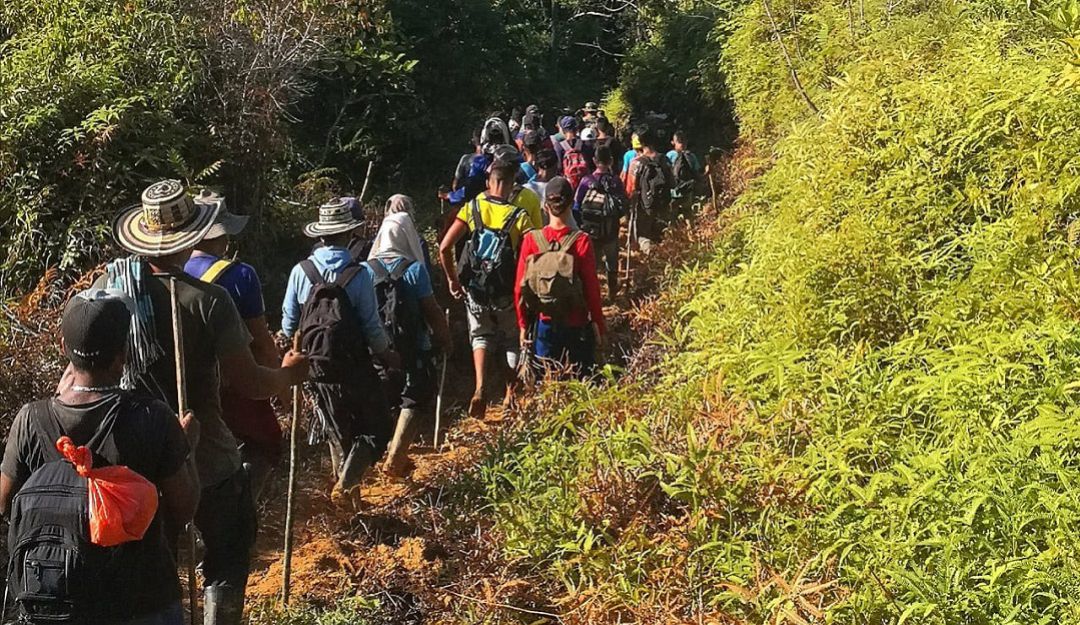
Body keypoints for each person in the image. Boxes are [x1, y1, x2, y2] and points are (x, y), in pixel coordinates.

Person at [100, 179, 309, 624]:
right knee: (229, 552)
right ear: (193, 235)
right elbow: (250, 382)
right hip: (208, 457)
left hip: (135, 458)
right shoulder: (210, 301)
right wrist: (290, 375)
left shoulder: (111, 291)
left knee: (152, 567)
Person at [1, 289, 201, 625]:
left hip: (54, 601)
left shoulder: (31, 420)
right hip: (142, 602)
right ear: (122, 355)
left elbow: (5, 502)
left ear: (64, 348)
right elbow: (185, 507)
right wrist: (187, 446)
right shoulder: (152, 417)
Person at [281, 198, 400, 498]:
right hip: (353, 365)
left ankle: (346, 498)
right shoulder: (359, 274)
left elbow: (288, 324)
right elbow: (372, 326)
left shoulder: (300, 271)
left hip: (315, 367)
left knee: (336, 430)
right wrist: (388, 356)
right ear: (350, 234)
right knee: (377, 427)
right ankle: (347, 486)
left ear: (320, 235)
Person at [184, 204, 281, 500]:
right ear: (220, 237)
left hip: (187, 385)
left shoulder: (172, 272)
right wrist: (279, 380)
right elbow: (262, 341)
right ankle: (241, 504)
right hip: (234, 380)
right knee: (268, 442)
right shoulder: (241, 275)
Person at [439, 156, 542, 418]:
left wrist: (452, 279)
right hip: (506, 290)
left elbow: (444, 247)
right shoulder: (518, 216)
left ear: (489, 181)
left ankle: (480, 387)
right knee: (510, 340)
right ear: (510, 185)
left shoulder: (473, 207)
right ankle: (510, 394)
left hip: (475, 289)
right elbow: (535, 252)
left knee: (481, 336)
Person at [366, 211, 452, 476]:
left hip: (377, 351)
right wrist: (445, 339)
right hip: (415, 347)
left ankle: (372, 459)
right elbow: (431, 310)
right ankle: (396, 455)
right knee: (415, 396)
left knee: (379, 398)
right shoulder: (415, 270)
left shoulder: (365, 270)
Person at [515, 177, 606, 377]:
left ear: (545, 206)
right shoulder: (581, 240)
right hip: (576, 323)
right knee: (580, 381)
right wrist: (598, 324)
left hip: (544, 323)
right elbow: (592, 289)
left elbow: (519, 289)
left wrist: (523, 325)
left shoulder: (531, 240)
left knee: (547, 383)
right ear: (572, 203)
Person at [574, 144, 628, 297]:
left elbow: (577, 206)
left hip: (590, 230)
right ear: (610, 161)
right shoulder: (616, 182)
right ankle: (612, 290)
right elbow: (622, 207)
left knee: (591, 265)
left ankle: (591, 294)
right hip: (611, 231)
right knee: (612, 261)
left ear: (594, 160)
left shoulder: (586, 181)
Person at [626, 129, 676, 253]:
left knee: (643, 236)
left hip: (644, 207)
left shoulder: (636, 163)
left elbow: (630, 189)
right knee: (662, 235)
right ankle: (663, 260)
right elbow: (673, 182)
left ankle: (650, 257)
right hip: (663, 204)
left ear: (641, 143)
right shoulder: (665, 160)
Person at [667, 130, 704, 216]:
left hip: (673, 191)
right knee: (688, 213)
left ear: (673, 142)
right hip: (687, 189)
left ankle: (674, 229)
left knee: (672, 216)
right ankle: (690, 229)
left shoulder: (669, 155)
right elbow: (697, 173)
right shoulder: (691, 156)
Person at [552, 116, 594, 188]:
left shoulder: (559, 146)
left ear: (562, 130)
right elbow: (591, 164)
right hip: (585, 184)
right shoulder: (586, 145)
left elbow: (559, 167)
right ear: (576, 129)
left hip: (567, 184)